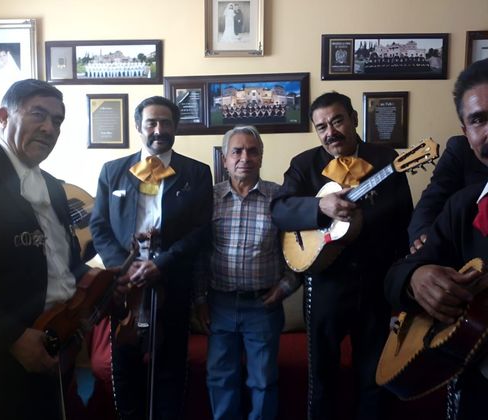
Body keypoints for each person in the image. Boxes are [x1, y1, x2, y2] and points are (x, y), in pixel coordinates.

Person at [0, 79, 128, 420]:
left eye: (57, 120)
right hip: (1, 356)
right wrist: (12, 337)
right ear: (4, 115)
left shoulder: (54, 187)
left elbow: (63, 262)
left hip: (57, 338)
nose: (49, 127)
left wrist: (102, 281)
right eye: (39, 114)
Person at [271, 92, 413, 420]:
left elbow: (405, 220)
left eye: (337, 121)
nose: (330, 132)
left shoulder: (386, 159)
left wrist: (402, 291)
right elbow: (279, 210)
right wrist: (320, 206)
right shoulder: (304, 164)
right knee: (322, 379)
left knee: (376, 377)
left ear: (354, 119)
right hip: (325, 287)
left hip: (376, 285)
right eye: (321, 127)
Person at [90, 95, 213, 420]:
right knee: (124, 367)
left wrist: (161, 263)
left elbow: (201, 231)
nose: (159, 129)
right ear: (138, 126)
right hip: (124, 288)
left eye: (166, 123)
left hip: (170, 281)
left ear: (176, 126)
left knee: (170, 368)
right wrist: (123, 268)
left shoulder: (197, 172)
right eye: (151, 123)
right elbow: (99, 226)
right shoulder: (112, 171)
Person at [384, 58, 488, 420]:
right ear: (467, 132)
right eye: (479, 119)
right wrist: (417, 277)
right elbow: (397, 274)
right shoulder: (464, 204)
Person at [194, 126, 300, 420]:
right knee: (220, 379)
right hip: (219, 305)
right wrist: (200, 299)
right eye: (237, 151)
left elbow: (299, 252)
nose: (245, 157)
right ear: (225, 160)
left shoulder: (279, 198)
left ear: (261, 157)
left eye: (252, 151)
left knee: (263, 382)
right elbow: (201, 253)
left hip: (263, 306)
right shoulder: (209, 199)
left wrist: (285, 288)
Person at [407, 133, 488, 253]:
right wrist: (424, 241)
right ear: (466, 130)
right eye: (477, 120)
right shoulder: (461, 149)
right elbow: (430, 202)